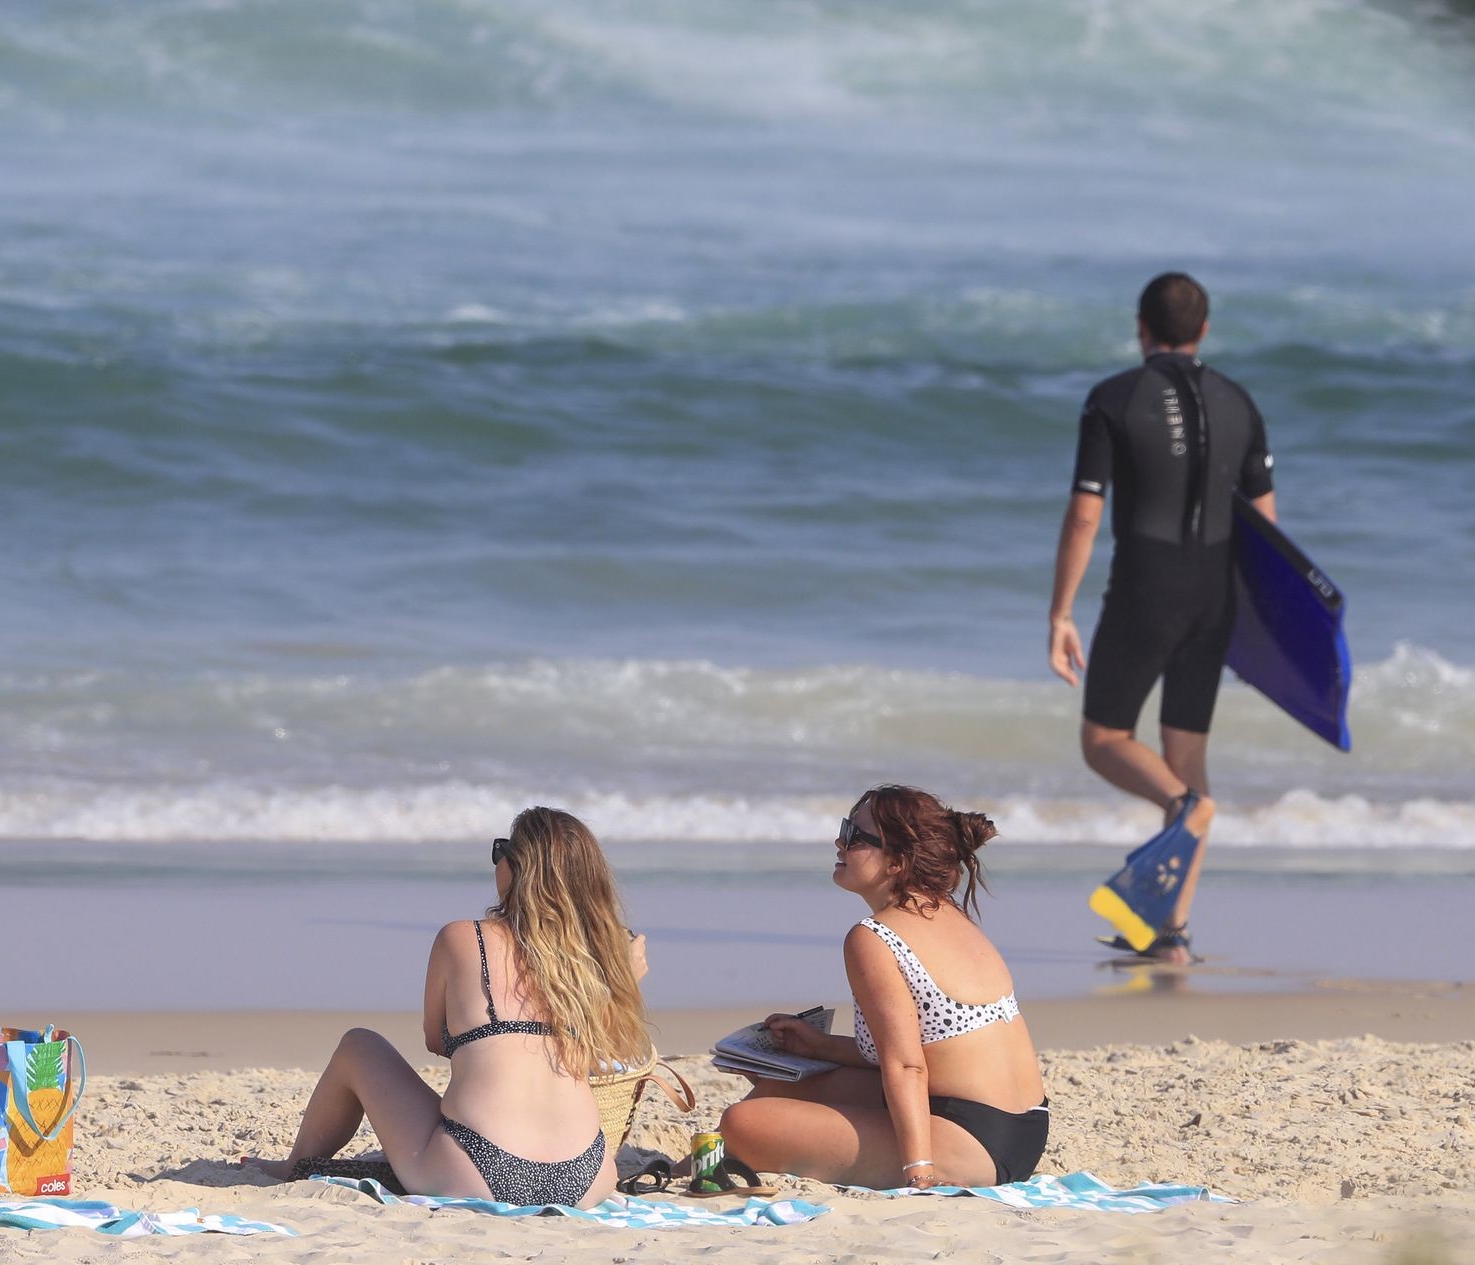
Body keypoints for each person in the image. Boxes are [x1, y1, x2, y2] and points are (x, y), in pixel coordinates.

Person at [247, 807, 650, 1208]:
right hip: (587, 1177)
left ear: (518, 866)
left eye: (501, 851)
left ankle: (294, 1165)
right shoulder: (599, 958)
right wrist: (622, 981)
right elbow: (606, 1055)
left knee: (359, 1045)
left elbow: (437, 1040)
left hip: (479, 1166)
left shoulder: (464, 938)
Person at [1047, 272, 1277, 961]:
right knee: (1187, 761)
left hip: (1146, 591)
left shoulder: (1113, 397)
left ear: (1140, 327)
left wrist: (1061, 611)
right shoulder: (1241, 402)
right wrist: (1263, 632)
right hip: (1217, 598)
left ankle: (1183, 811)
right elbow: (1267, 530)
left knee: (1104, 739)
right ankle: (1168, 930)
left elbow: (1085, 514)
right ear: (1203, 330)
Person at [719, 786, 1046, 1189]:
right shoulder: (949, 915)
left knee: (743, 1122)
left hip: (971, 1141)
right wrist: (821, 1047)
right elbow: (930, 1046)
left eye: (854, 835)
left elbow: (907, 1066)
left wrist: (918, 1170)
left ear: (896, 862)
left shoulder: (873, 936)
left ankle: (711, 1163)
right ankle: (697, 1166)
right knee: (780, 1088)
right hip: (1025, 1128)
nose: (839, 842)